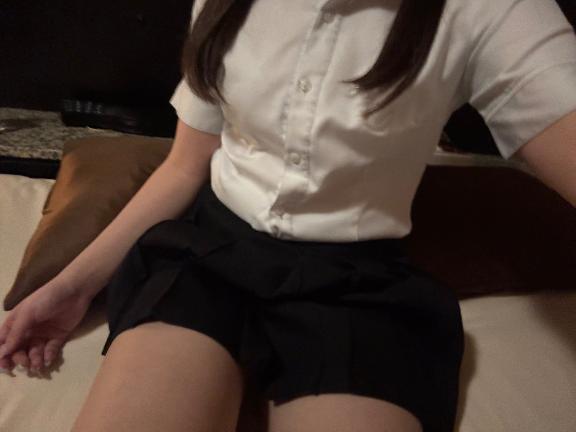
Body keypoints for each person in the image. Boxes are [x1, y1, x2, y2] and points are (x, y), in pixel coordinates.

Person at [1, 0, 576, 430]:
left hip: (354, 286)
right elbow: (185, 167)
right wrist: (72, 287)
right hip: (208, 254)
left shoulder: (486, 9)